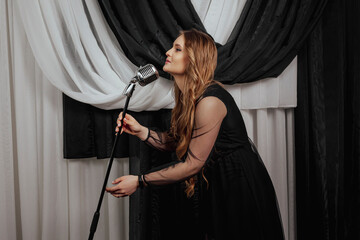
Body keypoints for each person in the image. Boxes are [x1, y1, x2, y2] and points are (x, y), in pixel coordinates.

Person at [106, 29, 285, 240]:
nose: (167, 52)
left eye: (177, 49)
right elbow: (180, 143)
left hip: (237, 187)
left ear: (194, 59)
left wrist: (139, 181)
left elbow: (192, 164)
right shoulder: (189, 97)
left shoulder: (210, 101)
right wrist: (141, 131)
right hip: (218, 184)